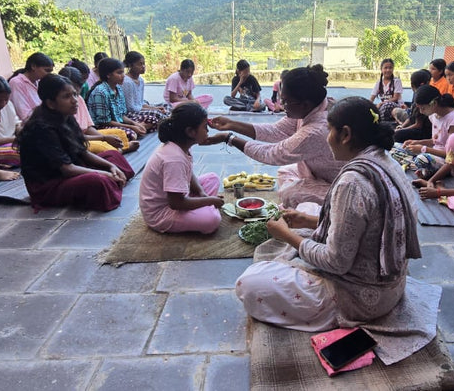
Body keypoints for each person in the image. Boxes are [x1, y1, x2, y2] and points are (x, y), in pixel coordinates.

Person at [235, 96, 422, 332]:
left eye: (330, 131)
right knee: (308, 209)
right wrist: (309, 221)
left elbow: (335, 263)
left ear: (345, 134)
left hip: (361, 298)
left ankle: (327, 306)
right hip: (391, 284)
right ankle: (302, 233)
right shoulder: (385, 160)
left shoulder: (352, 183)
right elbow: (369, 225)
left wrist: (286, 235)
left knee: (249, 283)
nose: (327, 138)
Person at [205, 66, 343, 207]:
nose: (282, 105)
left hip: (337, 182)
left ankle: (322, 211)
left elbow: (272, 154)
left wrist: (229, 138)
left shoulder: (317, 130)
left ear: (304, 104)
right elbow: (276, 130)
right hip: (317, 172)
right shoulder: (312, 106)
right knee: (285, 172)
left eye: (285, 101)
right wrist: (231, 124)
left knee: (291, 194)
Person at [16, 74, 135, 211]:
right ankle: (111, 184)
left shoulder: (66, 117)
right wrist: (104, 174)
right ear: (51, 103)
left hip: (71, 169)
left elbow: (82, 152)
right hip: (49, 184)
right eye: (66, 97)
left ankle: (112, 183)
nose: (75, 100)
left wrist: (111, 167)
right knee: (98, 181)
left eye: (74, 94)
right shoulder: (41, 128)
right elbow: (67, 169)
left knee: (114, 157)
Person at [140, 103, 224, 234]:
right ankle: (203, 210)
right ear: (190, 132)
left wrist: (201, 192)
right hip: (163, 212)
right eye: (204, 127)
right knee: (212, 220)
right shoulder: (174, 159)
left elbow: (189, 174)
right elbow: (176, 203)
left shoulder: (181, 146)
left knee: (212, 178)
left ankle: (199, 206)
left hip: (177, 196)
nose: (208, 131)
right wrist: (209, 200)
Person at [57, 66, 138, 154]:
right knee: (102, 147)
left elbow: (88, 127)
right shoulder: (60, 106)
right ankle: (120, 150)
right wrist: (103, 138)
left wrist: (104, 138)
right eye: (67, 95)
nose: (74, 98)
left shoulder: (79, 99)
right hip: (76, 141)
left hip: (87, 135)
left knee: (120, 133)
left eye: (75, 93)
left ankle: (118, 149)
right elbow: (75, 137)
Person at [86, 58, 156, 140]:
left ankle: (140, 128)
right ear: (108, 75)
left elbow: (121, 115)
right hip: (103, 126)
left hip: (118, 122)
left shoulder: (118, 88)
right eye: (119, 73)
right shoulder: (100, 92)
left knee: (155, 116)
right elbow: (104, 121)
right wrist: (132, 127)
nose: (123, 75)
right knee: (131, 134)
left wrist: (135, 124)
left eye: (123, 72)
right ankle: (139, 130)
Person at [401, 85, 454, 179]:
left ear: (434, 103)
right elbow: (435, 141)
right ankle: (425, 169)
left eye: (423, 108)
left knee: (421, 159)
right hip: (433, 153)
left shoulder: (453, 120)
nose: (421, 111)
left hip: (447, 160)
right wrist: (417, 142)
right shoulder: (433, 116)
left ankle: (429, 169)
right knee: (397, 147)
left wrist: (423, 149)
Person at [122, 51, 170, 119]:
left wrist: (154, 108)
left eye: (144, 63)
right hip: (131, 113)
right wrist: (153, 109)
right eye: (140, 64)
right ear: (130, 65)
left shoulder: (141, 80)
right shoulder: (127, 82)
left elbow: (140, 103)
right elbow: (131, 108)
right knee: (157, 114)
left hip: (139, 109)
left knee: (166, 106)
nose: (143, 66)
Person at [8, 52, 54, 121]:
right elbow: (23, 114)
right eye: (47, 70)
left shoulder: (39, 82)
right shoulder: (16, 83)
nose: (49, 74)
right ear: (33, 66)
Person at [393, 69, 433, 143]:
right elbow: (410, 117)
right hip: (415, 125)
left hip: (424, 133)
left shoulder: (423, 97)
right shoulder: (416, 94)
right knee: (394, 128)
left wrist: (402, 130)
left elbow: (418, 125)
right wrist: (402, 127)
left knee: (397, 135)